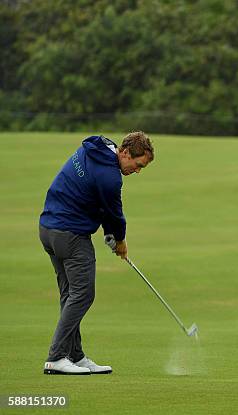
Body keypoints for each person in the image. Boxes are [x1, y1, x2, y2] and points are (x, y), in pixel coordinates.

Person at [39, 131, 154, 375]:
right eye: (138, 164)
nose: (138, 171)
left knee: (70, 294)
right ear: (124, 153)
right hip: (70, 235)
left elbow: (95, 201)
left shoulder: (98, 148)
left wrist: (109, 235)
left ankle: (75, 355)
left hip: (49, 229)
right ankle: (56, 357)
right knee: (82, 295)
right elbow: (114, 214)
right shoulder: (111, 178)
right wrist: (119, 240)